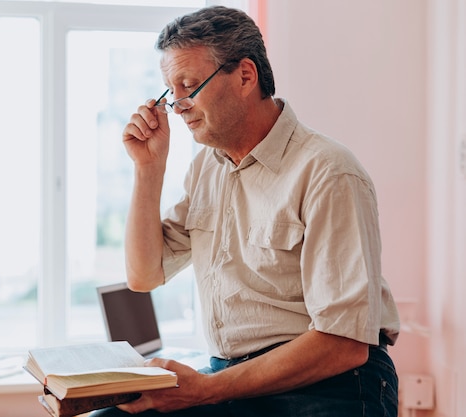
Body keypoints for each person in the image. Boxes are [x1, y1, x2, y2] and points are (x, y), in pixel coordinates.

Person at [92, 5, 400, 417]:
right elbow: (144, 275)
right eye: (171, 91)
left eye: (188, 86)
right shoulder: (207, 168)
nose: (177, 105)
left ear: (244, 76)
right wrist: (148, 169)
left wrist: (206, 390)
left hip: (331, 385)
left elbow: (343, 343)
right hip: (233, 381)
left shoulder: (329, 171)